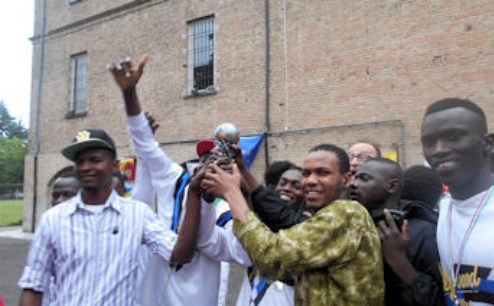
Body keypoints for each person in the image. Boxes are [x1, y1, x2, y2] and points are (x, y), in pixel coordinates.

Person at [109, 56, 250, 306]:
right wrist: (130, 93)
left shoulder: (229, 210)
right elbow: (145, 143)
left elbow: (241, 253)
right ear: (198, 162)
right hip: (154, 294)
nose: (214, 160)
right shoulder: (173, 179)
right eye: (208, 155)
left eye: (223, 159)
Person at [202, 144, 385, 305]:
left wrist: (232, 193)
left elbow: (270, 255)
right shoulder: (323, 217)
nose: (311, 181)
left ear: (347, 179)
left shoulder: (347, 213)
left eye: (323, 173)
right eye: (306, 173)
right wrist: (241, 169)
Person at [18, 129, 181, 306]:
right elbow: (33, 285)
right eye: (80, 161)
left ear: (114, 166)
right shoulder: (52, 219)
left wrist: (195, 199)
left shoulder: (137, 215)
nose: (86, 167)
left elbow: (179, 253)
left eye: (95, 160)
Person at [421, 98, 494, 305]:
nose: (439, 149)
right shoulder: (443, 207)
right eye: (429, 142)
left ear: (488, 143)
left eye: (454, 137)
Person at [350, 158, 444, 306]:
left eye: (364, 179)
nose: (354, 185)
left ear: (392, 186)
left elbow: (439, 299)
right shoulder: (355, 226)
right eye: (355, 178)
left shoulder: (424, 232)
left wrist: (399, 262)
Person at [235, 163, 304, 306]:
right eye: (282, 183)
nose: (286, 188)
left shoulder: (308, 229)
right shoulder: (262, 226)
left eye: (296, 187)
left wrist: (232, 192)